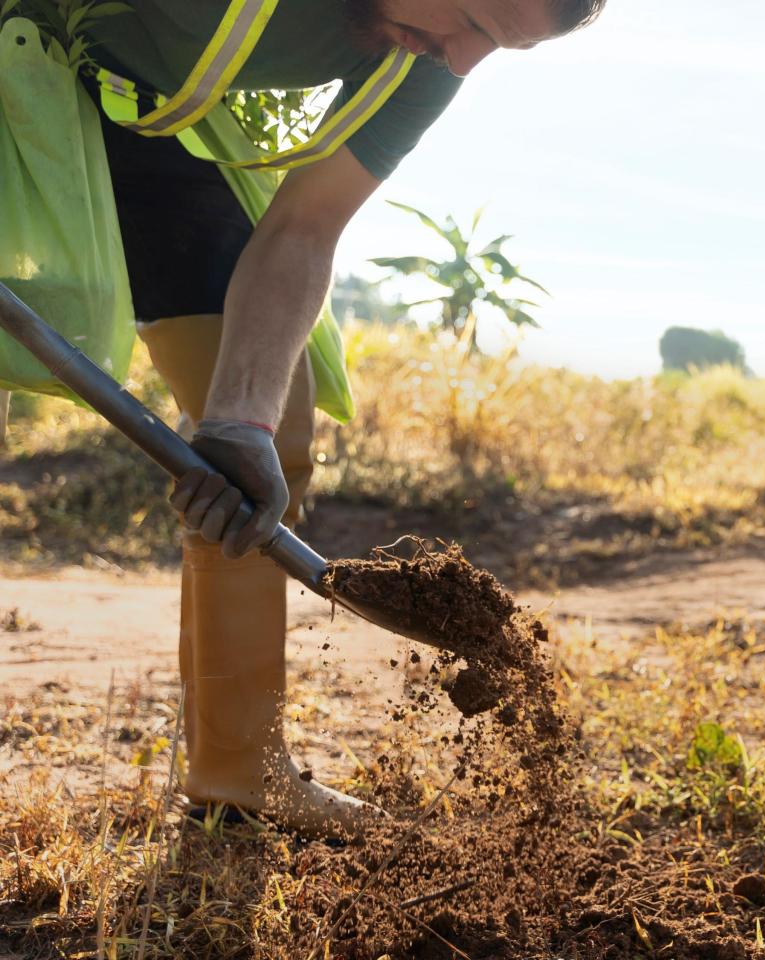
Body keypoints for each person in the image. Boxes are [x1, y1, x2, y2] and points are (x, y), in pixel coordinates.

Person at [8, 0, 605, 839]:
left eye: (495, 49)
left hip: (137, 111)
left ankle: (239, 774)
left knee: (268, 412)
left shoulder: (425, 56)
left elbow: (304, 223)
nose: (462, 62)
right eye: (470, 19)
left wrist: (240, 423)